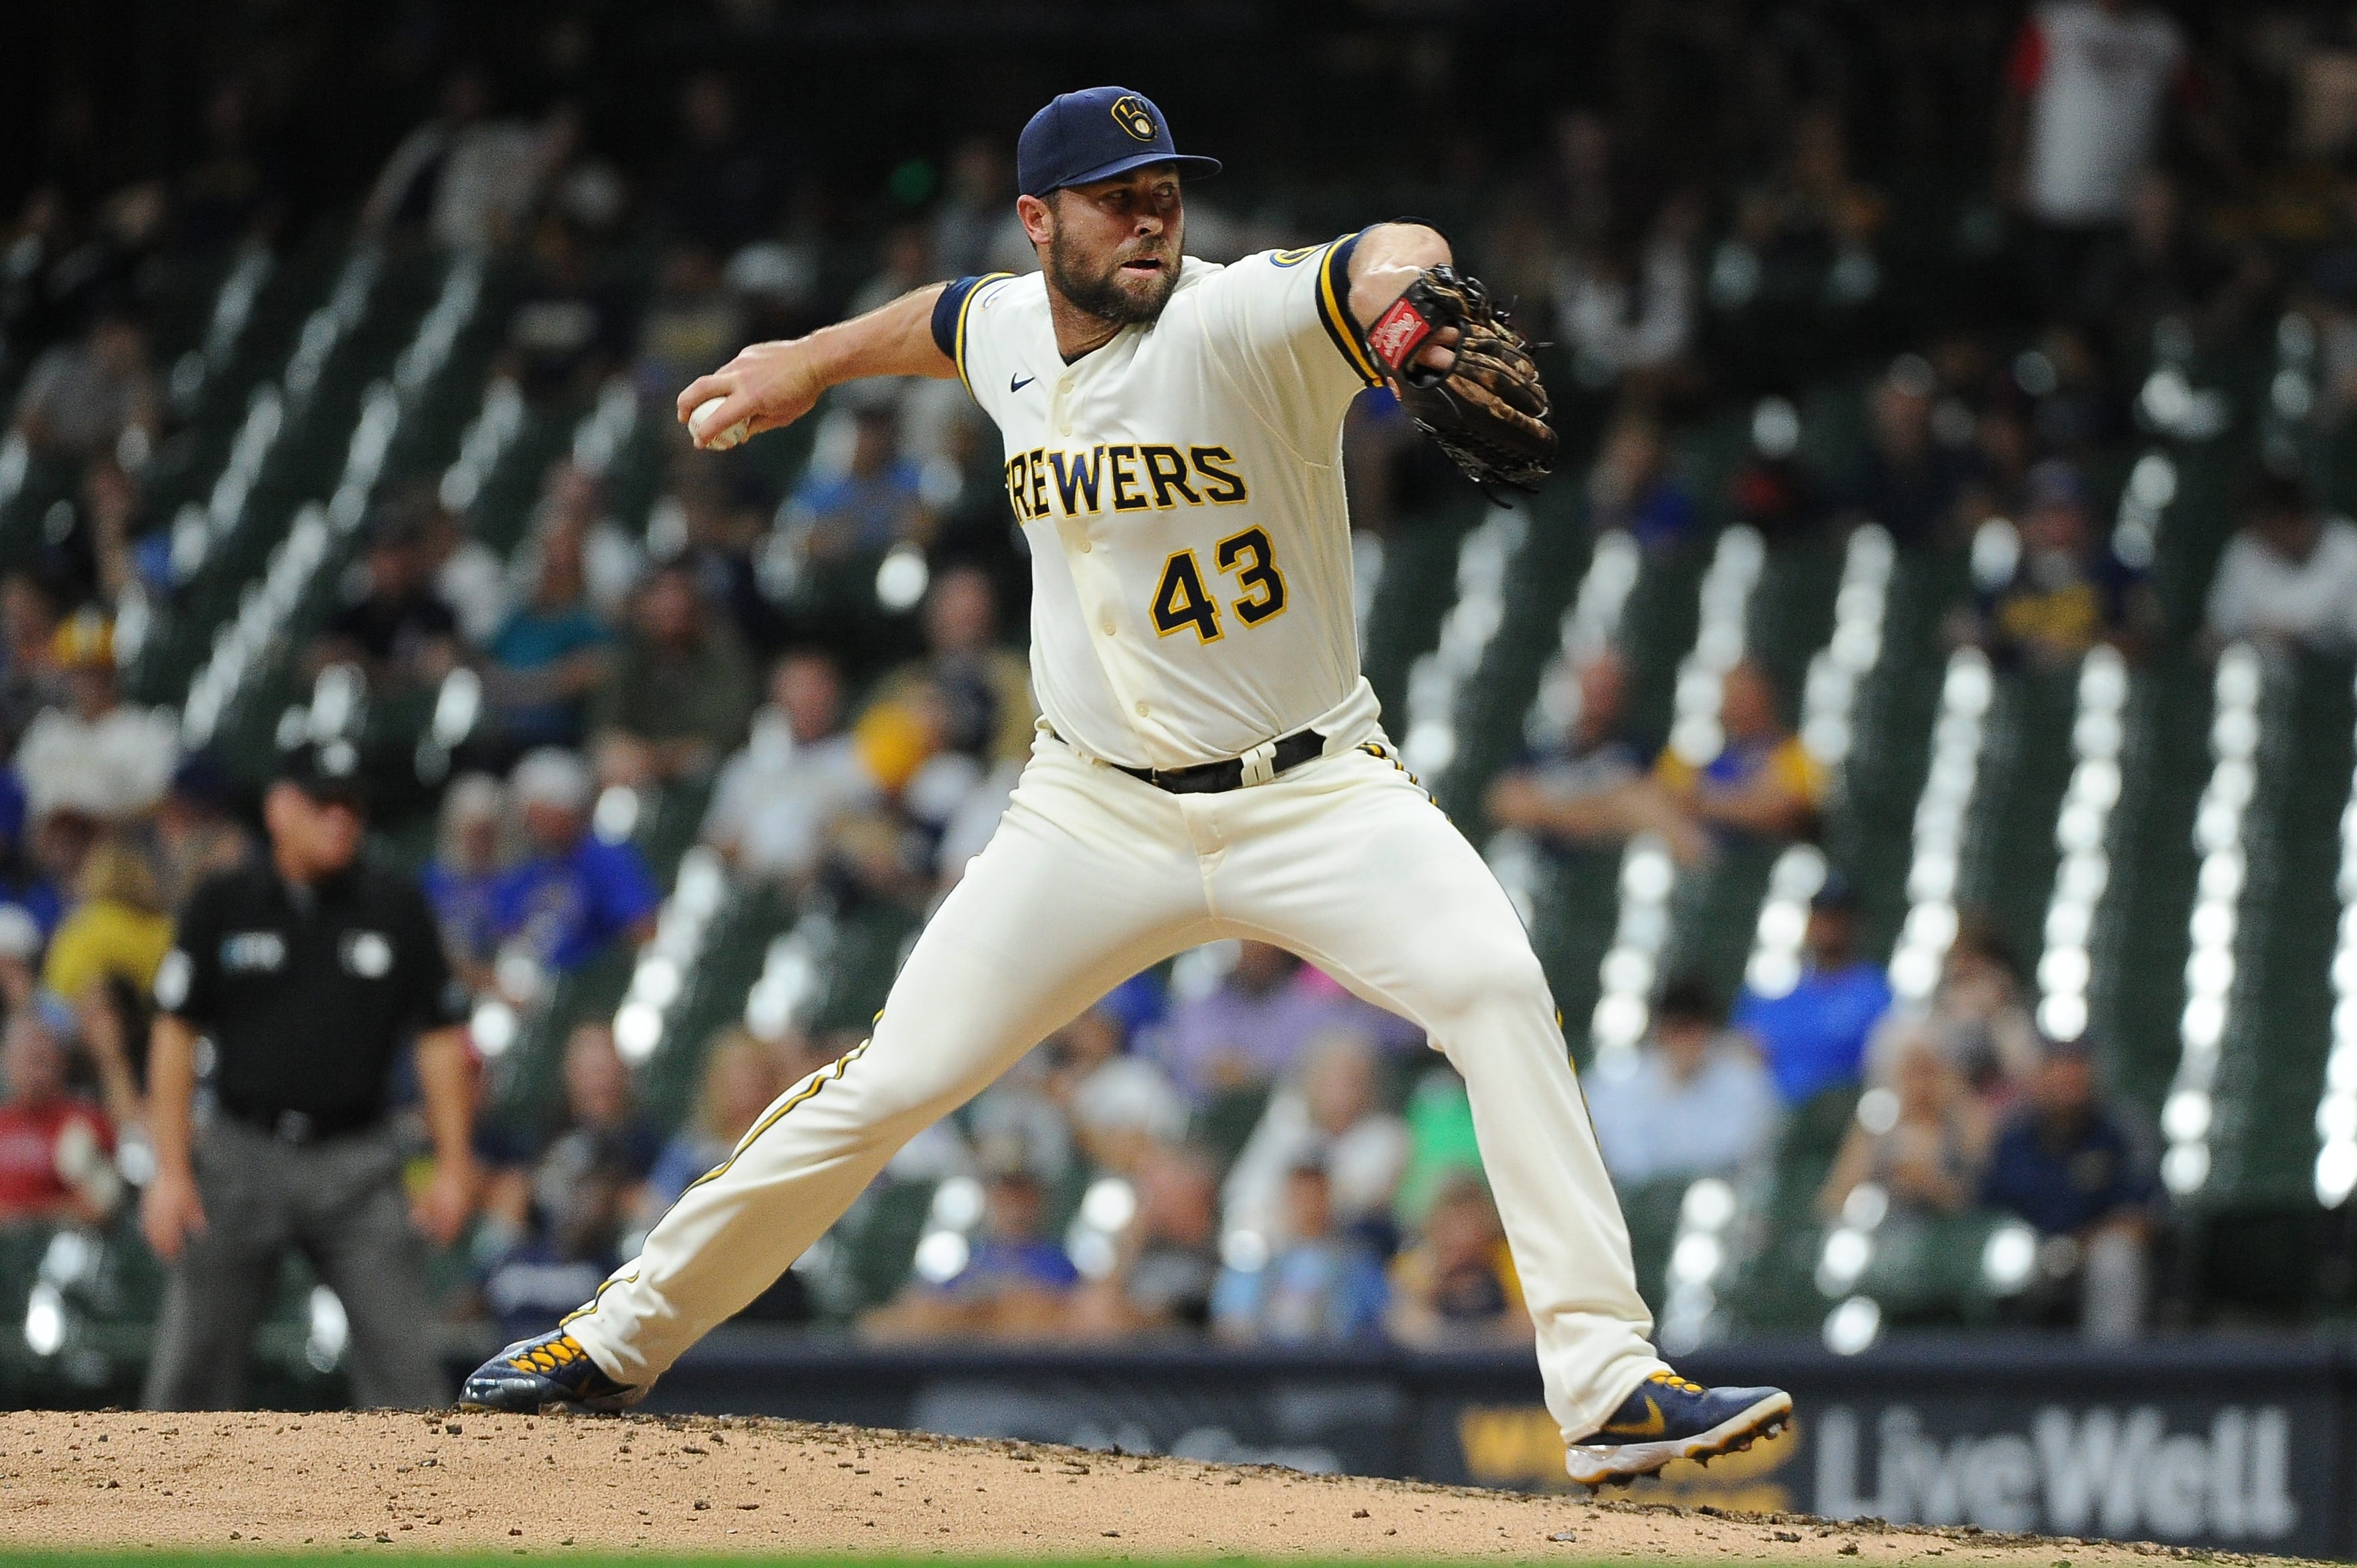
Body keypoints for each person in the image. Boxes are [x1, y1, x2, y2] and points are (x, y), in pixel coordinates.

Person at [470, 84, 1786, 1487]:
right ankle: (615, 1336)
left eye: (1164, 188)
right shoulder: (1011, 333)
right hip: (1091, 810)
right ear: (1042, 222)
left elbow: (1380, 251)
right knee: (897, 1075)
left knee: (1498, 993)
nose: (1152, 213)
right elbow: (942, 317)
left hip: (1312, 793)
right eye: (1116, 195)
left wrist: (1410, 314)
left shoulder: (1236, 318)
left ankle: (1606, 1383)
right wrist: (805, 356)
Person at [140, 741, 477, 1410]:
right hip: (242, 1154)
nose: (341, 818)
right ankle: (158, 1510)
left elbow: (441, 1039)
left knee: (409, 1379)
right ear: (279, 808)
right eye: (324, 802)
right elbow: (175, 1034)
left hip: (359, 1160)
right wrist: (171, 1170)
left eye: (351, 803)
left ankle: (425, 1510)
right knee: (188, 1377)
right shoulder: (223, 901)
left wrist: (455, 1164)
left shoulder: (394, 903)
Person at [1980, 1038, 2156, 1341]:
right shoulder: (2013, 1138)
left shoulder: (2120, 1132)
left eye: (2075, 1069)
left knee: (2115, 1256)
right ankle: (1997, 1368)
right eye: (2057, 1069)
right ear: (2037, 1078)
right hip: (2031, 1253)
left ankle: (2112, 1370)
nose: (2066, 1080)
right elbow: (1986, 1209)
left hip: (2091, 1251)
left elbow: (2141, 1219)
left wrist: (2075, 1249)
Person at [1485, 650, 1704, 864]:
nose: (1600, 694)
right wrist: (1617, 808)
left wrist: (1551, 809)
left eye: (1609, 686)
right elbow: (1505, 803)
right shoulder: (1543, 748)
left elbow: (1677, 817)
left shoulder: (1649, 750)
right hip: (1548, 864)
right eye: (1593, 684)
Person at [1150, 940, 1418, 1099]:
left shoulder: (1303, 1000)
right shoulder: (1204, 995)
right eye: (1244, 943)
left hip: (1287, 1119)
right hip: (1205, 1120)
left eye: (1261, 943)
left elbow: (1391, 1033)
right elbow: (1212, 1069)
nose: (1254, 953)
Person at [699, 648, 875, 888]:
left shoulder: (860, 757)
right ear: (777, 697)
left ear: (835, 695)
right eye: (797, 689)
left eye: (815, 689)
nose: (807, 700)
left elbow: (875, 835)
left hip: (831, 889)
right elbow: (718, 841)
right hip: (755, 894)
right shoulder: (748, 764)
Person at [1221, 1029, 1409, 1250]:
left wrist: (1297, 1206)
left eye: (1351, 1081)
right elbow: (1246, 1191)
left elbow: (1353, 1201)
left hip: (1350, 1252)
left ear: (1368, 1087)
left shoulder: (1386, 1136)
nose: (1341, 1092)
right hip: (1277, 1252)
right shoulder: (1287, 1124)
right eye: (1330, 1080)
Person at [1585, 976, 1779, 1187]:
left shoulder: (1743, 1084)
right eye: (1676, 1030)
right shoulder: (1615, 1079)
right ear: (1660, 1032)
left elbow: (1731, 1154)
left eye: (1692, 1031)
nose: (1684, 1043)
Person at [488, 748, 660, 981]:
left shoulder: (606, 859)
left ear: (568, 808)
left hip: (591, 989)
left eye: (540, 814)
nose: (532, 824)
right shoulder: (528, 871)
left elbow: (642, 930)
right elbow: (502, 935)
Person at [861, 1162, 1078, 1341]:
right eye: (1005, 1197)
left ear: (1039, 1202)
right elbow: (914, 1307)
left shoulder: (1058, 1262)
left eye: (1023, 1198)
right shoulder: (961, 1258)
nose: (1014, 1208)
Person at [588, 561, 757, 790]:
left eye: (680, 595)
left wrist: (664, 759)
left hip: (701, 763)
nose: (672, 605)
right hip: (639, 763)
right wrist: (638, 754)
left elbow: (731, 731)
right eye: (662, 595)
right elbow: (605, 725)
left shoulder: (723, 654)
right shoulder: (629, 655)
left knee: (706, 762)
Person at [1732, 876, 1892, 1107]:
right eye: (1821, 918)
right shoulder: (1776, 984)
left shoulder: (1875, 993)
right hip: (1767, 1110)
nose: (1828, 928)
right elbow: (1743, 1046)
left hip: (1836, 1113)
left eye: (1837, 918)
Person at [14, 611, 177, 828]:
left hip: (123, 845)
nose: (87, 683)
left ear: (114, 673)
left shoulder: (149, 731)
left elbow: (158, 802)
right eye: (78, 673)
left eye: (96, 671)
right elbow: (24, 796)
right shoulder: (46, 732)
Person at [1210, 1161, 1388, 1343]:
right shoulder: (1256, 1260)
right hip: (1266, 1362)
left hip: (1334, 1363)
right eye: (1299, 1197)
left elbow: (1383, 1315)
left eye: (1315, 1197)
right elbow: (1230, 1319)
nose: (1307, 1207)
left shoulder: (1357, 1262)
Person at [1819, 1039, 1994, 1223]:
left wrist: (1927, 1184)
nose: (1921, 1086)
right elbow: (1835, 1198)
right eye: (1912, 1074)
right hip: (1885, 1230)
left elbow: (1975, 1201)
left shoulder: (1963, 1129)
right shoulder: (1876, 1131)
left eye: (1929, 1073)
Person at [1652, 660, 1822, 846]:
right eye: (1730, 692)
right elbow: (1660, 796)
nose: (1736, 702)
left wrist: (1705, 804)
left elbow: (1786, 811)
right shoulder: (1693, 748)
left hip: (1763, 854)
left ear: (1766, 695)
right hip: (1694, 845)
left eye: (1746, 692)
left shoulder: (1796, 752)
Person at [310, 503, 462, 696]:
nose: (391, 566)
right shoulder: (354, 616)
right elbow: (316, 662)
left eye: (397, 554)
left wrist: (369, 669)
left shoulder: (436, 614)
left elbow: (439, 665)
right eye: (383, 555)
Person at [2203, 471, 2357, 657]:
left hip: (2331, 676)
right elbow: (2215, 634)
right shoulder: (2246, 547)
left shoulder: (2349, 549)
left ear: (2293, 518)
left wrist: (2297, 641)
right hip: (2255, 675)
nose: (2263, 535)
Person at [0, 1015, 118, 1226]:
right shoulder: (3, 1122)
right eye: (27, 1058)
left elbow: (102, 1208)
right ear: (8, 1062)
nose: (35, 1071)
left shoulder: (85, 1121)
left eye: (42, 1059)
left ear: (61, 1062)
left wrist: (29, 1217)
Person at [1387, 1173, 1528, 1347]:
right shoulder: (1415, 1266)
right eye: (1451, 1225)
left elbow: (1528, 1326)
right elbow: (1404, 1328)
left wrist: (1476, 1336)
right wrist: (1435, 1286)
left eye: (1468, 1223)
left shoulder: (1508, 1262)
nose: (1460, 1237)